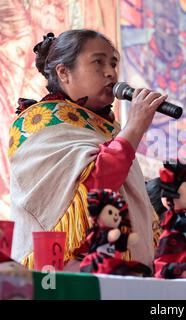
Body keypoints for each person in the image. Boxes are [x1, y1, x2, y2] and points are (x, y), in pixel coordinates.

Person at [8, 29, 167, 269]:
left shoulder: (110, 128)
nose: (110, 72)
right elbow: (92, 188)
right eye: (98, 62)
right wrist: (134, 129)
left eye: (113, 63)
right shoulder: (39, 122)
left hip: (124, 271)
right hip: (68, 273)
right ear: (64, 72)